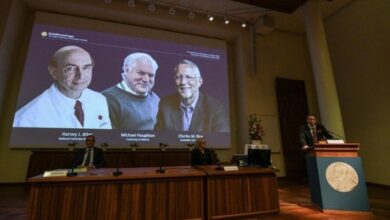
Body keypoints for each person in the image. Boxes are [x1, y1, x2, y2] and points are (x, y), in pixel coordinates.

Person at [13, 45, 111, 129]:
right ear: (54, 72)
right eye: (71, 68)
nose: (81, 75)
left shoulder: (99, 99)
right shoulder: (27, 118)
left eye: (86, 67)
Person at [155, 59, 229, 132]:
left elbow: (220, 142)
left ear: (200, 82)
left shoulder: (216, 109)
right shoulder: (165, 105)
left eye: (189, 77)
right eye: (179, 77)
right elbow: (159, 140)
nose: (183, 82)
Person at [102, 53, 159, 129]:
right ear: (127, 70)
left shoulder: (155, 98)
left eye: (151, 75)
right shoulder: (106, 99)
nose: (146, 79)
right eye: (141, 73)